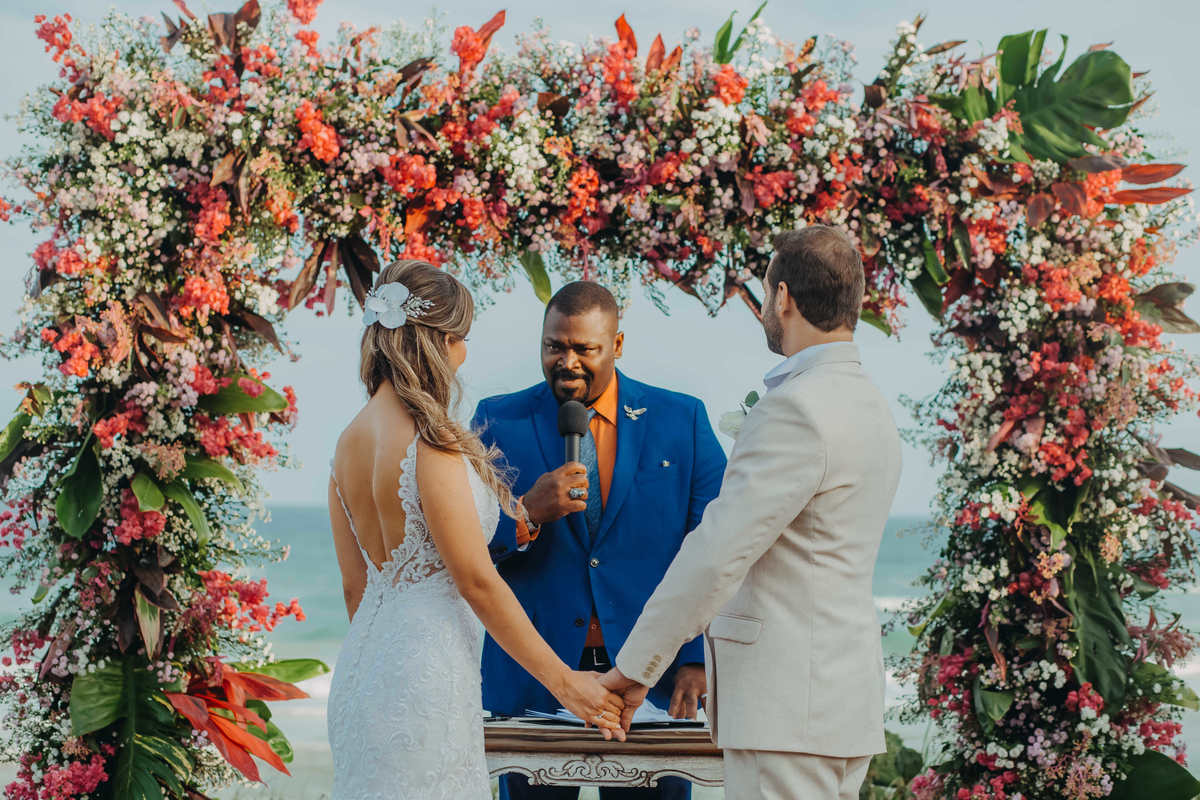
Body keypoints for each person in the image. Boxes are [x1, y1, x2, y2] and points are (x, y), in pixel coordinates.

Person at [601, 226, 903, 800]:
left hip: (786, 707)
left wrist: (636, 667)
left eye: (765, 294)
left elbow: (717, 554)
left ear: (783, 297)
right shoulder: (869, 402)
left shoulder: (797, 408)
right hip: (841, 702)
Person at [325, 261, 626, 800]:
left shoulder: (347, 442)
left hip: (363, 673)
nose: (465, 353)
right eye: (463, 339)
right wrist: (565, 682)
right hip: (426, 674)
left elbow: (356, 588)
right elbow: (477, 581)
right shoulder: (430, 443)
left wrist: (390, 654)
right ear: (440, 341)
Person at [472, 281, 726, 800]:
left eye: (584, 349)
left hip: (650, 679)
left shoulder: (683, 420)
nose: (567, 362)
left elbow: (717, 547)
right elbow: (468, 551)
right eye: (554, 346)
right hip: (534, 681)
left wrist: (696, 658)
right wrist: (527, 514)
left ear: (618, 344)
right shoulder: (498, 419)